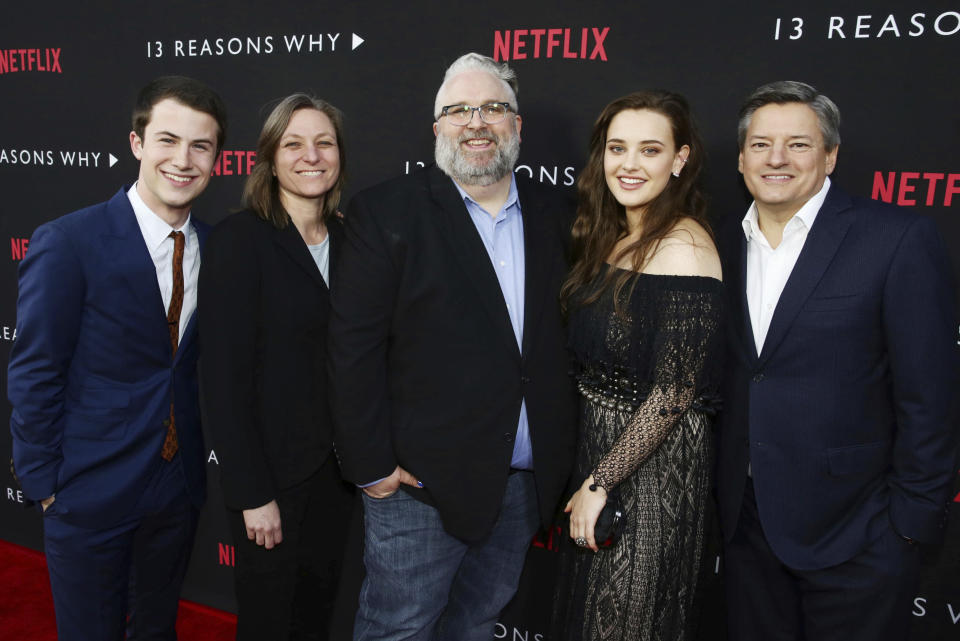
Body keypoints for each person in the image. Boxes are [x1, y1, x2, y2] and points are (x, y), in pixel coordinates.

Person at [328, 52, 577, 641]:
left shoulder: (560, 215)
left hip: (521, 486)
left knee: (475, 628)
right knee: (400, 630)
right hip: (419, 491)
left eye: (494, 107)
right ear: (436, 127)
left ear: (518, 125)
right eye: (459, 109)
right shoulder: (386, 211)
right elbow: (352, 350)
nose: (476, 121)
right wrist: (372, 470)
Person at [716, 80, 959, 641]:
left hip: (861, 533)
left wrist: (905, 530)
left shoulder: (896, 239)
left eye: (798, 144)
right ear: (741, 157)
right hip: (746, 527)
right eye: (760, 144)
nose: (776, 158)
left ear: (830, 156)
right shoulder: (719, 241)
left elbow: (932, 397)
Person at [7, 75, 226, 640]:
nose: (183, 160)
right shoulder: (69, 241)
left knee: (156, 629)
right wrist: (46, 484)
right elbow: (35, 369)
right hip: (87, 489)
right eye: (167, 140)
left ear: (217, 159)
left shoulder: (216, 246)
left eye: (200, 146)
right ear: (137, 144)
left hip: (176, 490)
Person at [551, 91, 723, 641]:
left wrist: (603, 479)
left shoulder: (686, 247)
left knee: (626, 621)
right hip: (604, 455)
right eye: (617, 148)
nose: (629, 164)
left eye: (650, 150)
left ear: (679, 160)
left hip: (652, 470)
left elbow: (674, 391)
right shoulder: (614, 235)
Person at [199, 94, 354, 640]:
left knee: (319, 617)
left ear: (339, 155)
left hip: (341, 477)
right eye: (294, 143)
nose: (311, 156)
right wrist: (251, 493)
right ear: (270, 156)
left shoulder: (353, 239)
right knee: (268, 623)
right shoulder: (241, 240)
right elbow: (222, 378)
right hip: (272, 480)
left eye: (324, 142)